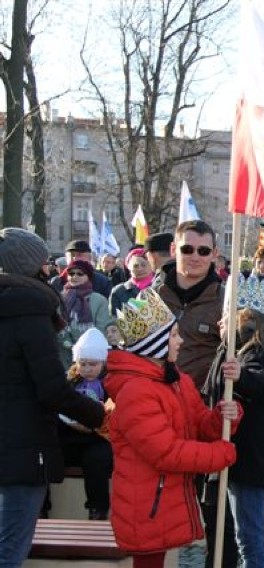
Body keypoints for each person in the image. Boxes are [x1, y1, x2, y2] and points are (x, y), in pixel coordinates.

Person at [106, 287, 241, 568]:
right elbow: (165, 452)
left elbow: (199, 425)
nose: (180, 341)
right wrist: (221, 454)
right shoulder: (136, 392)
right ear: (154, 344)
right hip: (146, 502)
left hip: (162, 496)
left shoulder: (175, 380)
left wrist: (223, 417)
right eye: (174, 335)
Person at [0, 228, 106, 567]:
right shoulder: (29, 311)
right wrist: (100, 415)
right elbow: (51, 388)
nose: (52, 268)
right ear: (33, 267)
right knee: (10, 549)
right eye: (46, 261)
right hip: (22, 449)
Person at [203, 274, 264, 568]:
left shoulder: (257, 352)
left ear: (243, 320)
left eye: (226, 318)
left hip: (249, 457)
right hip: (234, 452)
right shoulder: (228, 349)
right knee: (236, 533)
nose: (219, 324)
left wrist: (240, 375)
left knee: (248, 537)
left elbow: (261, 384)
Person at [154, 220, 225, 389]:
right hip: (156, 398)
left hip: (201, 403)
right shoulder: (152, 297)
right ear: (173, 250)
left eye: (203, 251)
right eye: (187, 249)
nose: (195, 257)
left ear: (214, 254)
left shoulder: (226, 301)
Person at [59, 329, 114, 521]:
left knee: (97, 460)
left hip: (98, 438)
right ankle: (42, 506)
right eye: (83, 364)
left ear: (103, 363)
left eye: (93, 364)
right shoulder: (70, 381)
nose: (88, 369)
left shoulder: (110, 383)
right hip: (70, 436)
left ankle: (97, 510)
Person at [58, 259, 113, 368]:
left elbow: (102, 328)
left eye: (80, 273)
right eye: (71, 273)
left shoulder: (99, 300)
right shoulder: (60, 298)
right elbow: (57, 323)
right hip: (64, 354)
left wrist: (83, 348)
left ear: (88, 276)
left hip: (91, 357)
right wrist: (69, 344)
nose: (75, 276)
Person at [109, 249, 155, 315]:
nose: (140, 269)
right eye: (135, 266)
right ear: (129, 268)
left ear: (151, 265)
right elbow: (114, 318)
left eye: (143, 265)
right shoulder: (118, 291)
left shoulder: (159, 286)